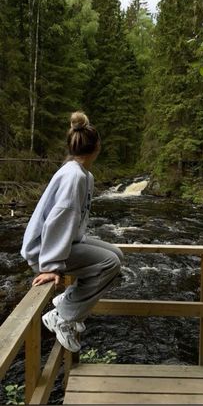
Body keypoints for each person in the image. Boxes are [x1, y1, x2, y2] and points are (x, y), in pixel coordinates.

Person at [20, 111, 123, 352]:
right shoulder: (74, 176)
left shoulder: (84, 174)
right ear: (97, 146)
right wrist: (50, 266)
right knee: (109, 264)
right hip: (44, 249)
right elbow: (58, 219)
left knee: (117, 254)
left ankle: (66, 301)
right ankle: (63, 317)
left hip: (65, 244)